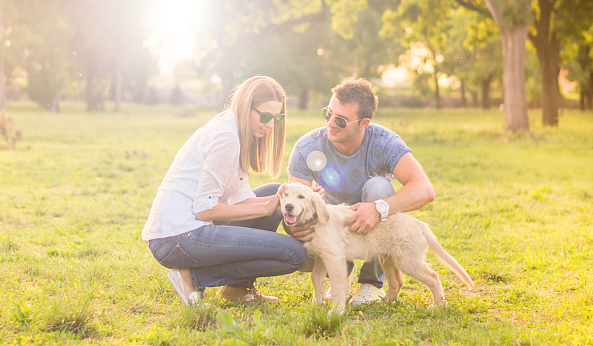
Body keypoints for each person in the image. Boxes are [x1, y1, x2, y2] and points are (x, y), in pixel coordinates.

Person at [142, 75, 306, 305]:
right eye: (266, 116)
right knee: (294, 255)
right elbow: (204, 209)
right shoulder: (227, 137)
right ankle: (191, 277)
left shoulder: (235, 130)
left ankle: (236, 290)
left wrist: (280, 201)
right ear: (245, 106)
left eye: (275, 118)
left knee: (276, 191)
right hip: (177, 237)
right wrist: (264, 210)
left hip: (187, 231)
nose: (270, 125)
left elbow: (240, 199)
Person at [285, 78, 435, 305]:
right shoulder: (308, 147)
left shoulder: (384, 142)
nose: (331, 124)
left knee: (379, 187)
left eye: (341, 120)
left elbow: (424, 189)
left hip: (374, 224)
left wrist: (378, 208)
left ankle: (371, 282)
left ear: (363, 123)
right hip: (331, 224)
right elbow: (295, 205)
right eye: (328, 114)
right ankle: (340, 274)